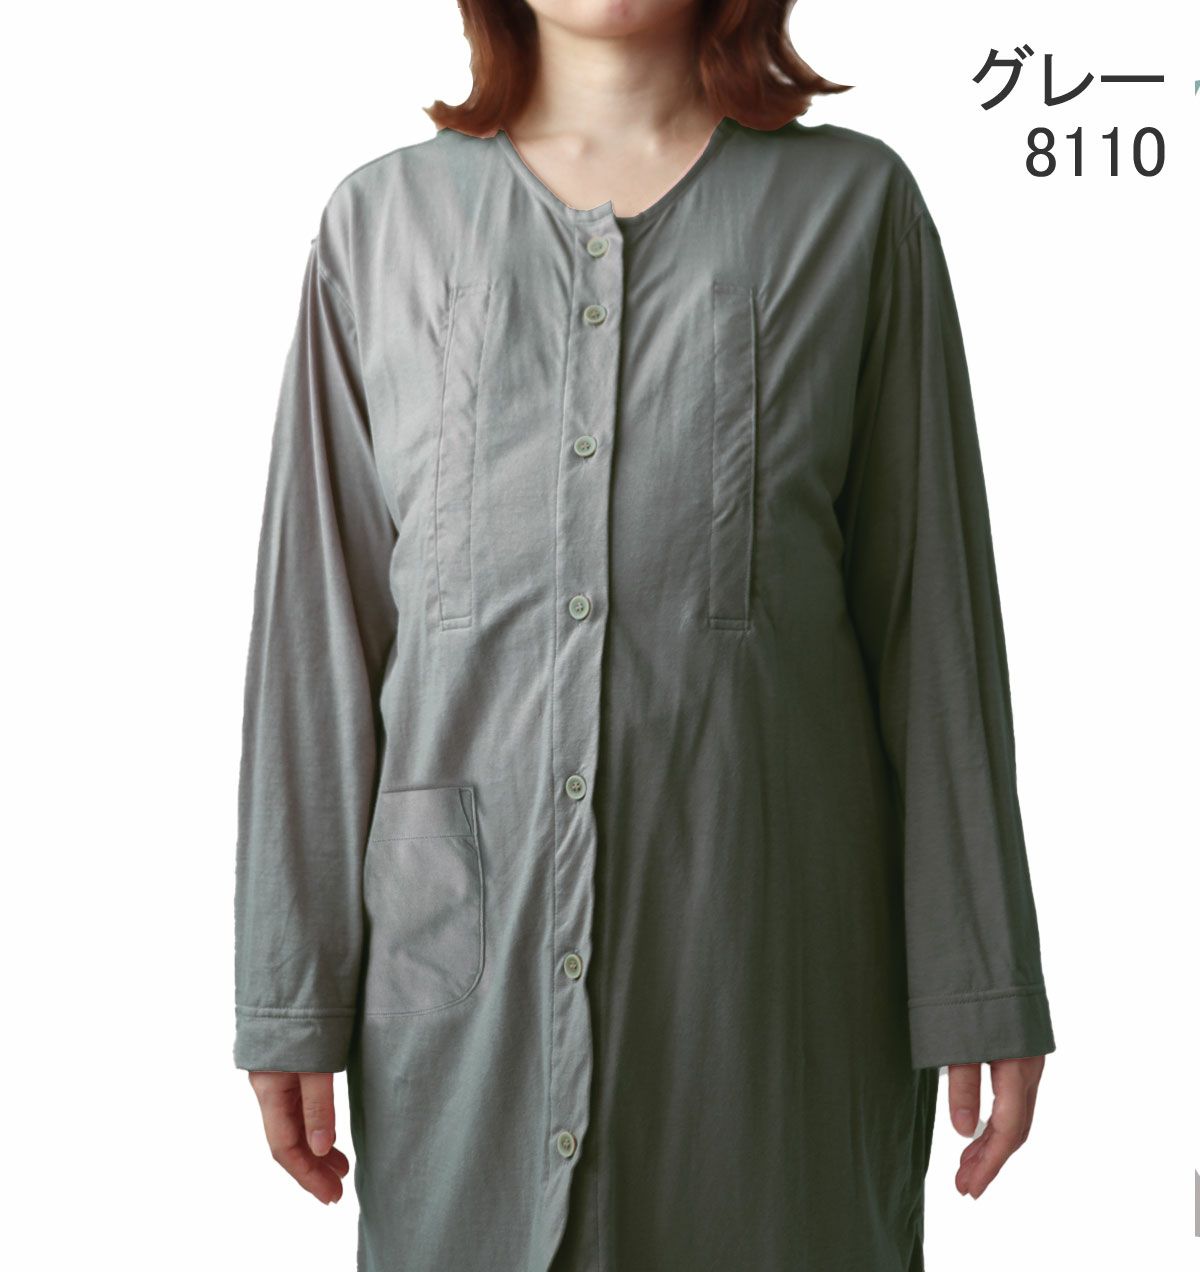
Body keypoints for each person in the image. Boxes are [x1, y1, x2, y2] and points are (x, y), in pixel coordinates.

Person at [233, 1, 1057, 1268]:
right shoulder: (378, 226)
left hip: (772, 1006)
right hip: (464, 1027)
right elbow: (317, 636)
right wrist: (292, 990)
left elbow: (933, 623)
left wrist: (981, 970)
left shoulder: (855, 211)